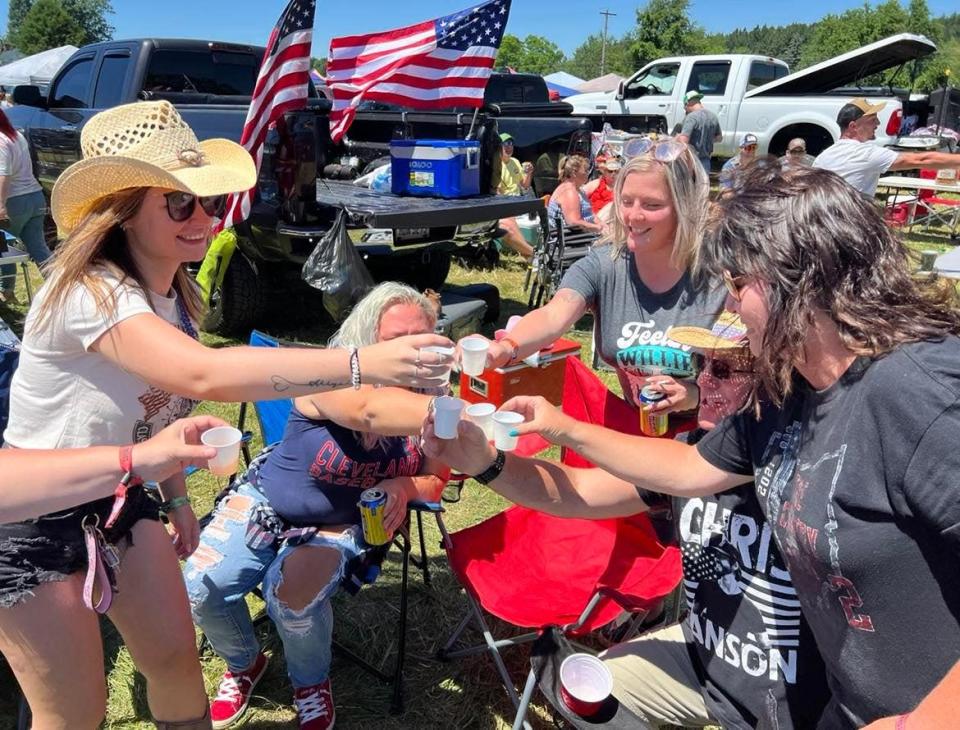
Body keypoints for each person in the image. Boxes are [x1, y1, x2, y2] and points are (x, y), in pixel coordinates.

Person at [0, 101, 453, 730]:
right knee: (75, 715)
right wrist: (359, 362)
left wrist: (178, 500)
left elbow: (158, 416)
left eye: (209, 203)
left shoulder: (175, 295)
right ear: (124, 212)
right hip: (30, 520)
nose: (204, 218)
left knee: (178, 663)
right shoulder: (91, 289)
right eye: (179, 202)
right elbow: (201, 375)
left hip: (119, 502)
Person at [457, 165, 960, 729]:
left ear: (794, 280)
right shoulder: (787, 392)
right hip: (824, 698)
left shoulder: (918, 391)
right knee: (593, 698)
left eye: (739, 287)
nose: (733, 311)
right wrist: (549, 434)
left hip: (906, 712)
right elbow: (688, 466)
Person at [421, 310, 830, 729]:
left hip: (795, 700)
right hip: (706, 663)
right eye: (699, 365)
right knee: (584, 691)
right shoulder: (690, 452)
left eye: (722, 368)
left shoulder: (810, 469)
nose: (703, 381)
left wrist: (566, 429)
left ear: (776, 377)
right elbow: (578, 492)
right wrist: (485, 462)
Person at [185, 283, 449, 730]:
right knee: (201, 584)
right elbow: (367, 410)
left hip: (344, 523)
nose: (412, 353)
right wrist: (446, 410)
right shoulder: (327, 376)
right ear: (366, 342)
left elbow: (436, 480)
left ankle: (310, 682)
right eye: (396, 341)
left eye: (421, 340)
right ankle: (244, 663)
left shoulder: (432, 397)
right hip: (266, 499)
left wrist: (404, 485)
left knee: (291, 596)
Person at [485, 140, 725, 420]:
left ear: (685, 208)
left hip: (706, 440)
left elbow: (752, 383)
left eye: (652, 204)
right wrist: (507, 348)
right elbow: (554, 314)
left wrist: (694, 396)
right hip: (636, 430)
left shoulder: (719, 276)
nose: (633, 216)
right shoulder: (604, 264)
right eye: (625, 201)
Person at [0, 415, 226, 524]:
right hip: (41, 511)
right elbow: (201, 373)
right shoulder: (101, 324)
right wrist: (137, 459)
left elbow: (164, 421)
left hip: (125, 494)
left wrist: (177, 502)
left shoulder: (182, 323)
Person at [813, 97, 960, 198]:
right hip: (848, 228)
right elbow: (922, 159)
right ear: (853, 126)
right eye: (872, 120)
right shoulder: (864, 153)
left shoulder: (823, 157)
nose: (877, 123)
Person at [0, 107, 51, 304]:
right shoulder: (16, 135)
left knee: (5, 249)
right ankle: (61, 288)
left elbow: (3, 175)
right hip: (35, 197)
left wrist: (1, 206)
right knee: (39, 248)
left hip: (15, 201)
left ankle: (7, 292)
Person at [496, 132, 535, 259]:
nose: (509, 147)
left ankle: (530, 252)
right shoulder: (495, 165)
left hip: (518, 201)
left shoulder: (515, 162)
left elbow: (525, 185)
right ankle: (531, 254)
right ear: (498, 146)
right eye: (505, 144)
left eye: (511, 144)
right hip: (506, 204)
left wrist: (529, 172)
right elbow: (497, 193)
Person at [546, 154, 604, 233]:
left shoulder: (578, 190)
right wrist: (598, 228)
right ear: (574, 172)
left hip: (585, 234)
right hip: (573, 240)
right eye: (585, 170)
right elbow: (574, 222)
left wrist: (601, 224)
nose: (588, 173)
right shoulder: (569, 192)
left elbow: (590, 214)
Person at [676, 90, 722, 173]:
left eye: (685, 107)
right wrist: (705, 138)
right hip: (706, 162)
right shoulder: (713, 116)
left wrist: (676, 138)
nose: (685, 110)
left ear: (687, 103)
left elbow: (683, 141)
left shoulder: (691, 117)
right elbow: (719, 138)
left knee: (689, 185)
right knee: (703, 185)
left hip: (691, 161)